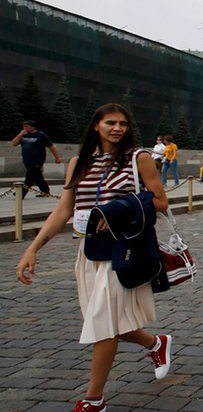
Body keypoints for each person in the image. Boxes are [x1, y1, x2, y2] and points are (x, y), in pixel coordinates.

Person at [15, 104, 173, 412]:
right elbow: (63, 210)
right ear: (96, 125)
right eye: (110, 122)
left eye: (123, 123)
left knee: (102, 322)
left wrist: (119, 209)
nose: (118, 128)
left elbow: (161, 201)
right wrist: (31, 249)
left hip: (122, 250)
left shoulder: (138, 159)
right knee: (106, 320)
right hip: (89, 252)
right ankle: (156, 343)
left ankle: (94, 398)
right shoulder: (79, 162)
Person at [10, 119, 62, 198]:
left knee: (30, 176)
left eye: (26, 126)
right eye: (23, 126)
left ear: (32, 127)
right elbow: (14, 143)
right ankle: (45, 191)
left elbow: (51, 146)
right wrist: (20, 134)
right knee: (37, 176)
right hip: (27, 160)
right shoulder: (23, 135)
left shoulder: (41, 135)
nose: (24, 128)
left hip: (37, 159)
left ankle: (21, 193)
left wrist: (57, 158)